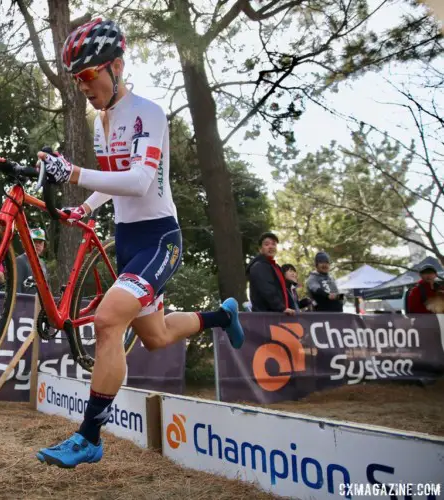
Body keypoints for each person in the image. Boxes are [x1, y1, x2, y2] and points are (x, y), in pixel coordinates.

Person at [35, 18, 244, 468]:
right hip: (129, 239)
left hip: (159, 238)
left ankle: (90, 436)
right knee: (156, 336)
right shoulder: (101, 121)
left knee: (108, 321)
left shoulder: (149, 113)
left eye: (90, 74)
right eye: (77, 79)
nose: (84, 86)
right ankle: (221, 315)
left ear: (116, 66)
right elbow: (113, 179)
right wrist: (87, 207)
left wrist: (71, 173)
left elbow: (139, 179)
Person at [245, 232, 294, 315]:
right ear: (260, 249)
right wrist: (281, 308)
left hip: (281, 315)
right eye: (267, 244)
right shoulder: (258, 266)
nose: (271, 246)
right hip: (266, 317)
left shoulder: (276, 267)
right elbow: (267, 289)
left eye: (274, 244)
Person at [16, 228, 49, 293]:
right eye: (34, 241)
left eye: (40, 242)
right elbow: (17, 287)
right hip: (25, 301)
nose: (37, 245)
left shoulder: (43, 263)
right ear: (26, 243)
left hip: (40, 302)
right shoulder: (20, 261)